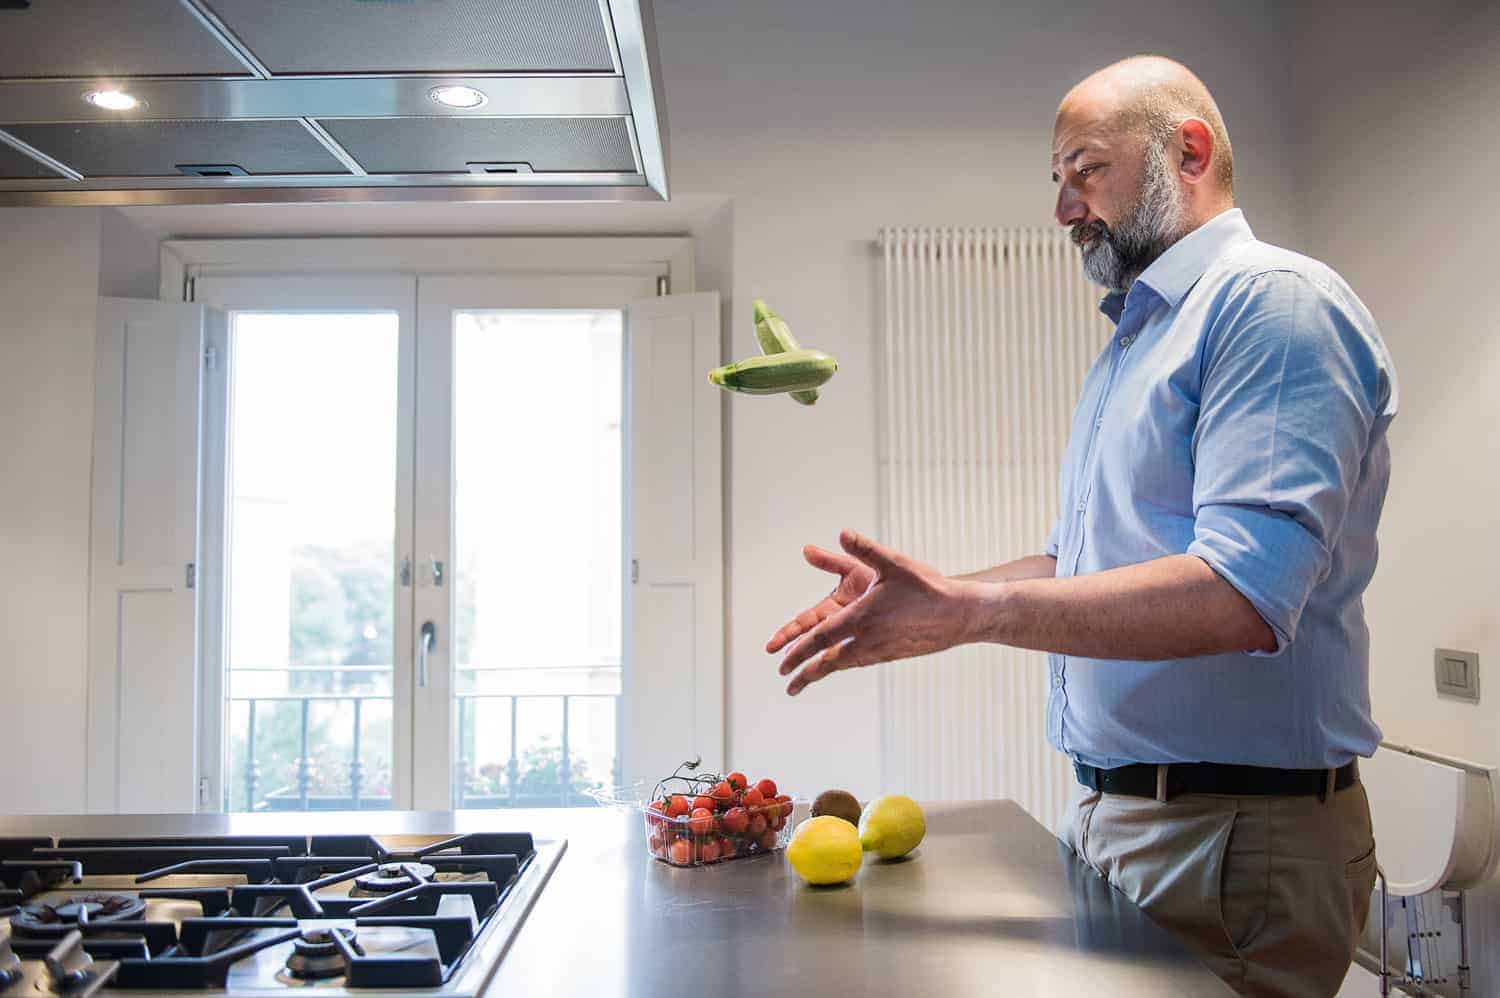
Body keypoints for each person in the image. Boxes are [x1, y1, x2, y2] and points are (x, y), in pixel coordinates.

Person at [766, 55, 1397, 998]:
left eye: (1084, 169)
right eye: (1057, 180)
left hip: (1235, 839)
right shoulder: (1138, 341)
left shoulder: (1272, 306)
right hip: (1131, 820)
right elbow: (1084, 562)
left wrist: (974, 612)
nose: (1065, 209)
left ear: (1188, 150)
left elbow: (1242, 594)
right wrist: (936, 598)